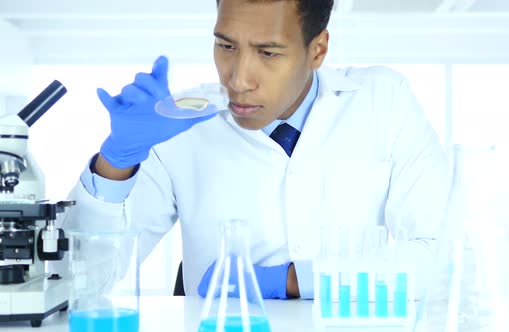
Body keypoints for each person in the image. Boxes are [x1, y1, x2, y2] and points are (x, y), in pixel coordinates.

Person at [58, 0, 450, 300]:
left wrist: (291, 280)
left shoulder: (384, 100)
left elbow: (441, 259)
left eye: (268, 52)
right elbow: (84, 282)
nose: (239, 78)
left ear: (317, 49)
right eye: (225, 45)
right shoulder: (177, 125)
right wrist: (115, 162)